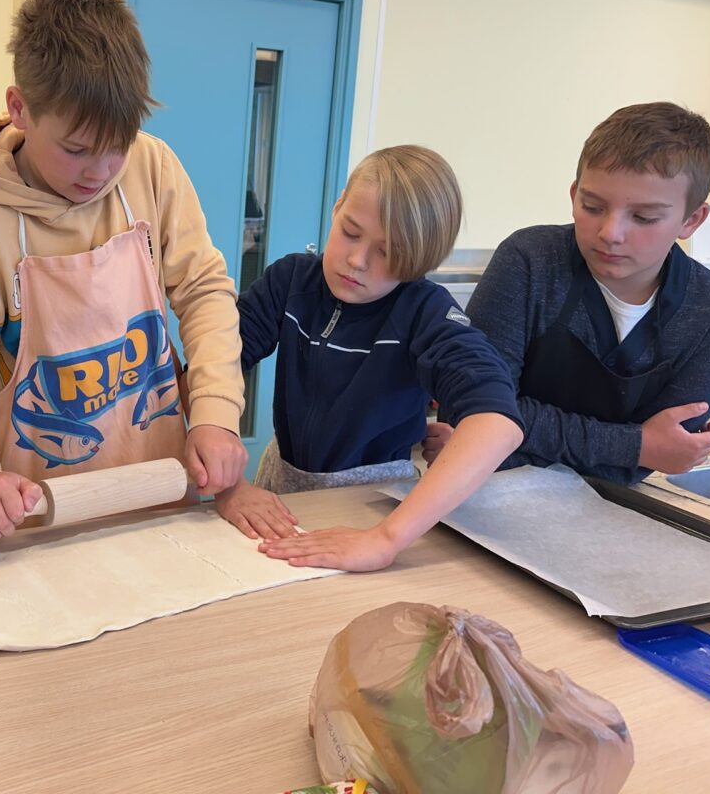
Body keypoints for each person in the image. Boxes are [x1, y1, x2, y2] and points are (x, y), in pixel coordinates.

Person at [0, 0, 247, 543]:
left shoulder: (153, 168)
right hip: (28, 522)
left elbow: (204, 292)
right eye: (76, 149)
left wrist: (215, 411)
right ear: (20, 109)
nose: (100, 172)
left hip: (156, 497)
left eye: (118, 146)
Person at [217, 145, 524, 571]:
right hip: (282, 482)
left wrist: (386, 539)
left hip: (376, 507)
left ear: (420, 258)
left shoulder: (425, 312)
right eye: (350, 231)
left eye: (388, 252)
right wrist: (229, 483)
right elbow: (214, 366)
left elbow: (499, 423)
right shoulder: (289, 281)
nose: (356, 261)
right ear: (338, 206)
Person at [423, 102, 710, 484]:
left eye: (644, 217)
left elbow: (662, 452)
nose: (610, 233)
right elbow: (470, 415)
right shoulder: (529, 260)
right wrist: (635, 444)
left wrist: (505, 432)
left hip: (611, 507)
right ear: (573, 195)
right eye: (593, 207)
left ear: (691, 220)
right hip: (483, 491)